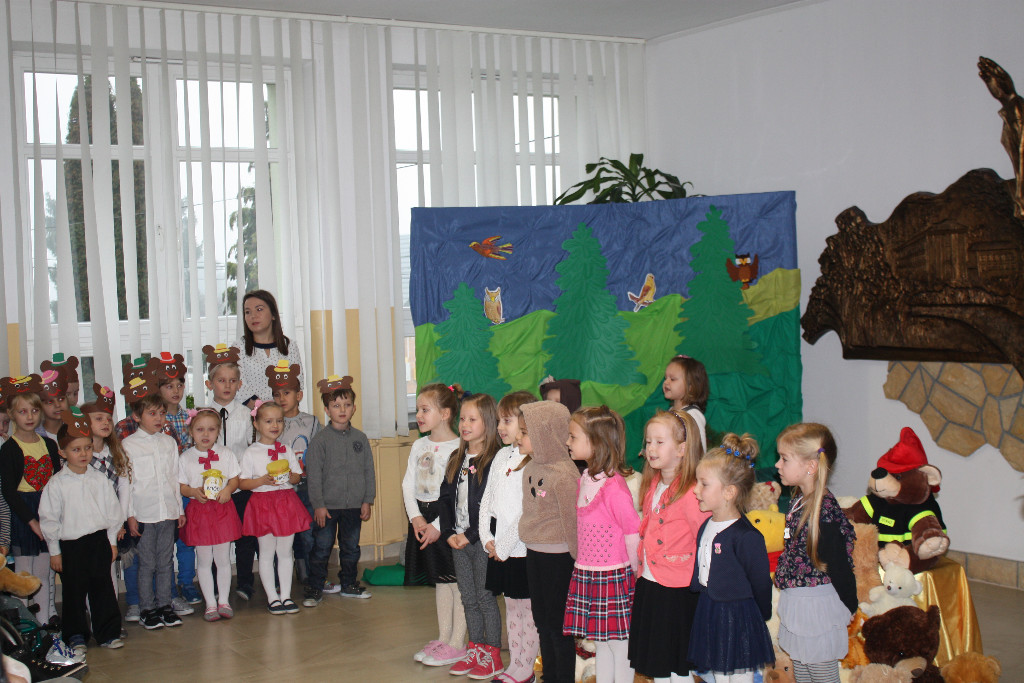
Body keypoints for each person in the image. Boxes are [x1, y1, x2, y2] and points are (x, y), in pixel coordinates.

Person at [628, 409, 709, 683]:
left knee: (677, 665)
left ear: (682, 449)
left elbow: (705, 539)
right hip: (651, 582)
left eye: (660, 442)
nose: (651, 448)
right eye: (649, 442)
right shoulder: (653, 484)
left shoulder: (692, 492)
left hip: (677, 589)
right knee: (658, 663)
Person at [774, 423, 857, 683]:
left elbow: (839, 565)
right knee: (802, 670)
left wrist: (850, 603)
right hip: (799, 603)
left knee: (822, 674)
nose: (777, 465)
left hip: (817, 609)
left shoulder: (824, 512)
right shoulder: (799, 501)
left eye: (784, 459)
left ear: (810, 466)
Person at [689, 434, 774, 683]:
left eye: (704, 484)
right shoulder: (705, 526)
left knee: (739, 676)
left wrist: (760, 616)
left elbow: (761, 582)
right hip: (710, 611)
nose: (696, 490)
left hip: (739, 618)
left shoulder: (746, 536)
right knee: (717, 674)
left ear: (729, 492)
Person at [563, 406, 640, 683]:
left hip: (613, 576)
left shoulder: (614, 487)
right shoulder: (585, 479)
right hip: (589, 574)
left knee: (619, 644)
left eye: (573, 437)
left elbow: (632, 531)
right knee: (601, 642)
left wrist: (636, 572)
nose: (567, 441)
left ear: (595, 442)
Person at [39, 410, 124, 654]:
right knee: (74, 592)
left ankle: (108, 632)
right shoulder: (57, 484)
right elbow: (49, 519)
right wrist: (55, 551)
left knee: (103, 589)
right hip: (71, 545)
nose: (83, 454)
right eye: (76, 450)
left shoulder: (99, 479)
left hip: (98, 541)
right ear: (63, 453)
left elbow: (113, 512)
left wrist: (112, 542)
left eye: (87, 448)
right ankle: (75, 635)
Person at [438, 393, 504, 680]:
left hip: (481, 541)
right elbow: (445, 498)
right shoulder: (457, 458)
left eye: (472, 419)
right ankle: (475, 648)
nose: (464, 424)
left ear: (487, 423)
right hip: (458, 540)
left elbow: (491, 506)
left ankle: (493, 653)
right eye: (462, 418)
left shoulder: (495, 460)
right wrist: (449, 532)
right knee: (468, 597)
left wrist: (471, 535)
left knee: (485, 597)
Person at [477, 390, 538, 683]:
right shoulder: (502, 455)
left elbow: (527, 512)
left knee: (528, 612)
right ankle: (515, 664)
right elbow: (487, 500)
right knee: (512, 608)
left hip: (522, 550)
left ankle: (527, 667)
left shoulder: (534, 462)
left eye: (507, 421)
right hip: (501, 548)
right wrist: (485, 535)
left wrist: (503, 545)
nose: (500, 427)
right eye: (500, 420)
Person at [403, 383, 465, 666]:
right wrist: (415, 517)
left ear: (445, 414)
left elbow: (459, 495)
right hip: (423, 519)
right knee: (441, 581)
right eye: (418, 409)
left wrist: (439, 526)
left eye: (425, 409)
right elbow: (408, 484)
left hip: (447, 521)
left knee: (457, 583)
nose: (419, 415)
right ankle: (444, 637)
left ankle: (458, 643)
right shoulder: (419, 445)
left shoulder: (459, 448)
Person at [519, 400, 579, 683]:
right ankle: (549, 676)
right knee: (542, 621)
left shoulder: (565, 475)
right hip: (535, 553)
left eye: (525, 432)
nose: (519, 437)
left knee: (558, 625)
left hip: (559, 559)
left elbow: (572, 523)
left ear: (545, 434)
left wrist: (578, 561)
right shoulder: (530, 468)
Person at [304, 376, 375, 605]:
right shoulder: (320, 441)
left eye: (346, 405)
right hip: (327, 507)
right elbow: (314, 476)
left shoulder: (360, 438)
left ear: (354, 408)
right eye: (336, 405)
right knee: (322, 548)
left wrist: (367, 500)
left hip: (354, 506)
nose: (342, 410)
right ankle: (315, 587)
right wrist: (318, 505)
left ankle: (349, 584)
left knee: (351, 548)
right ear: (327, 410)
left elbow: (368, 471)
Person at [120, 393, 187, 631]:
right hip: (144, 514)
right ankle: (147, 609)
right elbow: (126, 483)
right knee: (147, 563)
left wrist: (179, 509)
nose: (159, 418)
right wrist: (129, 515)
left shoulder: (168, 443)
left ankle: (165, 605)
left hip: (167, 512)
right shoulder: (128, 445)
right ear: (137, 417)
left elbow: (174, 478)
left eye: (161, 413)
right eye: (152, 414)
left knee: (166, 561)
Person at [238, 401, 310, 615]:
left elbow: (297, 476)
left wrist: (290, 476)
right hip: (263, 504)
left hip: (286, 503)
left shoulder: (285, 449)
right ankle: (272, 597)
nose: (275, 425)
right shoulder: (251, 452)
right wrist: (261, 480)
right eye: (268, 421)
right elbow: (243, 483)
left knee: (286, 551)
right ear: (257, 424)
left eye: (279, 421)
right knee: (267, 552)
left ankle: (286, 596)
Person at [0, 383, 61, 624]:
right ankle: (25, 627)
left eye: (34, 411)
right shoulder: (9, 449)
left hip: (47, 509)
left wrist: (53, 516)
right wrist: (32, 521)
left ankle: (44, 625)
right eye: (22, 411)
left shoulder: (49, 445)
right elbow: (9, 491)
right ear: (12, 415)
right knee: (24, 577)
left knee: (43, 575)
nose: (29, 417)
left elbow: (57, 482)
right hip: (23, 514)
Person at [178, 408, 243, 622]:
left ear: (218, 431)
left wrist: (228, 490)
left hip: (222, 510)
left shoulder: (226, 454)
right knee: (204, 560)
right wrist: (193, 492)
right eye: (200, 430)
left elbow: (234, 479)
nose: (206, 434)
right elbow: (181, 486)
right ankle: (210, 604)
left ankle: (223, 600)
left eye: (211, 429)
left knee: (223, 558)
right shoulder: (186, 458)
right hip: (200, 512)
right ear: (191, 432)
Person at [203, 345, 257, 600]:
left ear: (239, 384)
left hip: (240, 486)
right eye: (221, 380)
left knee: (245, 537)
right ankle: (215, 586)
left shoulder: (247, 415)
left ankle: (245, 582)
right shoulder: (203, 416)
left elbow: (251, 448)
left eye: (232, 381)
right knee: (217, 539)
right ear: (210, 384)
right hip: (214, 489)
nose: (227, 385)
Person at [154, 352, 201, 606]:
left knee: (186, 541)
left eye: (179, 385)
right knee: (163, 543)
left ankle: (186, 582)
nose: (175, 391)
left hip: (185, 488)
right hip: (162, 490)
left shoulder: (190, 417)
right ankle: (166, 589)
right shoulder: (155, 421)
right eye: (169, 386)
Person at [270, 361, 322, 588]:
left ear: (299, 395)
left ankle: (309, 575)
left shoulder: (311, 422)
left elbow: (319, 453)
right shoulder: (272, 423)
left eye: (287, 393)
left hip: (306, 487)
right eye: (276, 394)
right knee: (281, 534)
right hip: (281, 489)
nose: (281, 398)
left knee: (308, 533)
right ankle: (278, 579)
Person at [237, 291, 303, 406]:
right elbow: (238, 386)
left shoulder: (289, 346)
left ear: (273, 314)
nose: (253, 316)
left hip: (284, 412)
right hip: (251, 412)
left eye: (259, 309)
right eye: (247, 312)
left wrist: (280, 410)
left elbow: (298, 382)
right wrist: (262, 410)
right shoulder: (239, 348)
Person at [661, 355, 709, 452]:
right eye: (665, 378)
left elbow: (700, 449)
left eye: (672, 379)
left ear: (690, 387)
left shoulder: (693, 415)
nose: (666, 382)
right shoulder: (670, 411)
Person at [35, 371, 68, 442]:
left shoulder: (76, 430)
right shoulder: (34, 436)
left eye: (61, 399)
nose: (57, 405)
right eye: (49, 402)